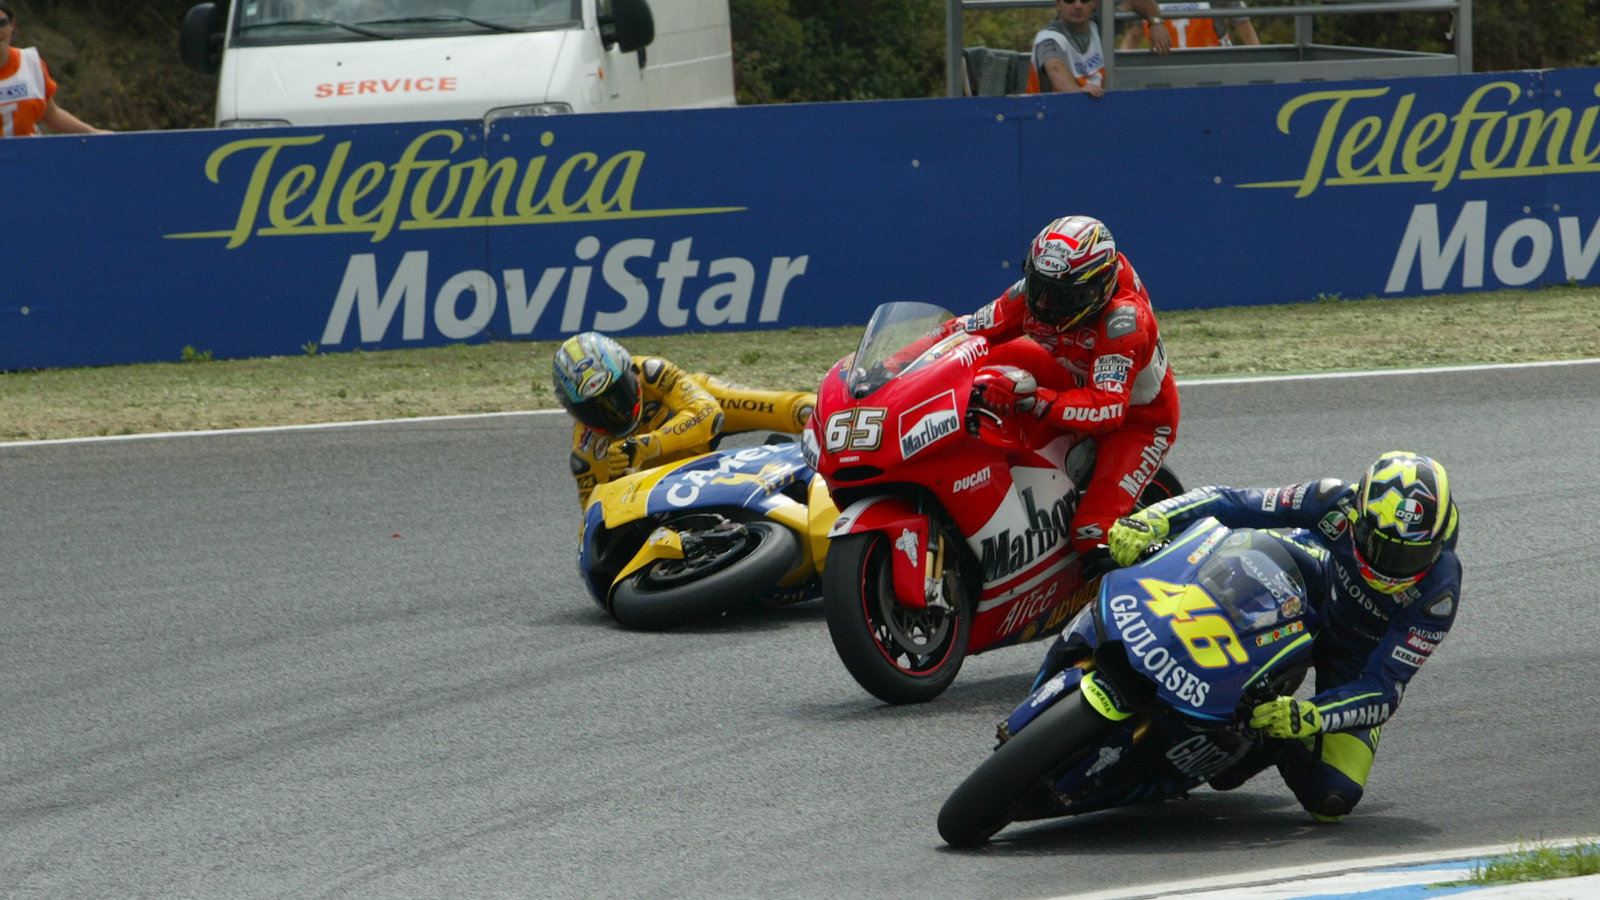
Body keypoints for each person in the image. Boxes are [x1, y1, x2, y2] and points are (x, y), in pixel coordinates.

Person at [1106, 451, 1463, 821]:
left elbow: (1383, 690)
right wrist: (1154, 518)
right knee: (1236, 554)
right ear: (1359, 517)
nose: (1392, 567)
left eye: (1411, 555)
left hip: (1357, 654)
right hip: (1312, 577)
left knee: (1332, 797)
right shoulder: (1333, 500)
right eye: (1381, 546)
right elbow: (1231, 501)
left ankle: (1254, 732)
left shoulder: (1438, 595)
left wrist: (1311, 716)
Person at [960, 214, 1180, 557]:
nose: (1044, 305)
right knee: (984, 359)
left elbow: (1108, 409)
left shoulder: (1124, 322)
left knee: (1093, 533)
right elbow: (967, 331)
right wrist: (898, 362)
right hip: (1072, 381)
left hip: (1136, 422)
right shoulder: (1036, 294)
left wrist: (1033, 400)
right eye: (1039, 287)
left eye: (1063, 296)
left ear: (1098, 288)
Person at [551, 331, 818, 508]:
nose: (613, 411)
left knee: (799, 410)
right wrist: (616, 477)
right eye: (593, 409)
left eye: (618, 394)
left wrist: (646, 446)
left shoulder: (653, 372)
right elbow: (593, 527)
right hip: (662, 490)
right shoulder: (587, 451)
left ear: (631, 372)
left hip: (698, 414)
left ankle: (838, 427)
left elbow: (708, 414)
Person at [0, 4, 110, 137]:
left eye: (2, 23)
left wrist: (93, 133)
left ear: (12, 25)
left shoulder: (29, 62)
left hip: (30, 149)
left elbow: (51, 114)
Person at [1032, 0, 1172, 97]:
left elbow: (1135, 1)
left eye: (1085, 0)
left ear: (1094, 3)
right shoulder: (1048, 37)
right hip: (1050, 114)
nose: (1078, 5)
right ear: (1058, 4)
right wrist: (1079, 96)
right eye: (1070, 0)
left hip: (1094, 108)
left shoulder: (1101, 27)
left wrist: (1155, 22)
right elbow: (1055, 69)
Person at [1118, 1, 1260, 51]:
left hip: (1214, 69)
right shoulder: (1147, 3)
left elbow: (1243, 25)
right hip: (1166, 72)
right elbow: (1134, 37)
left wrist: (1260, 65)